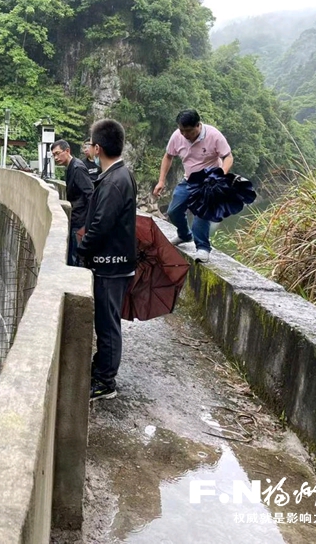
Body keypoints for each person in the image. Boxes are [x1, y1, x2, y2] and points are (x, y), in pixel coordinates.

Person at [77, 119, 137, 401]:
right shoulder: (118, 175)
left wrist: (82, 249)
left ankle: (105, 383)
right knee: (105, 321)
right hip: (112, 262)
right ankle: (101, 370)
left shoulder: (114, 180)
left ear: (97, 148)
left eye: (90, 144)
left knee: (107, 324)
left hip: (111, 265)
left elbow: (101, 224)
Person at [153, 109, 233, 264]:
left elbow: (228, 156)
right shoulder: (177, 135)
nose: (184, 134)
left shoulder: (214, 135)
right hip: (189, 180)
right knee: (173, 211)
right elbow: (168, 156)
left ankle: (203, 248)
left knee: (201, 214)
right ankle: (184, 235)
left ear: (198, 125)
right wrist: (161, 181)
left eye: (187, 131)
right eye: (181, 130)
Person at [51, 139, 93, 266]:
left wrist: (90, 221)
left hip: (80, 221)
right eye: (54, 155)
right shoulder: (70, 167)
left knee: (76, 258)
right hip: (76, 218)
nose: (56, 157)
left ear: (67, 151)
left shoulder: (77, 168)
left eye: (58, 153)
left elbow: (90, 193)